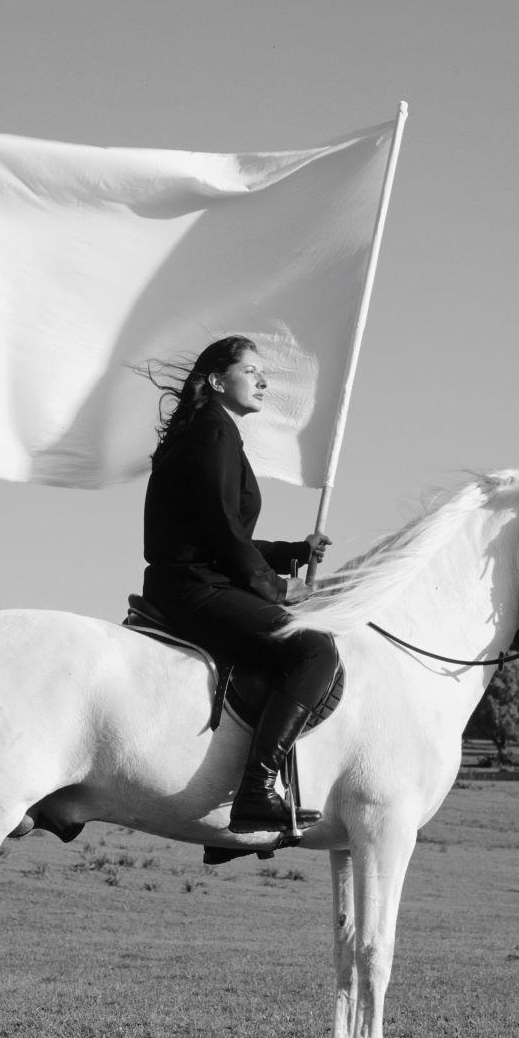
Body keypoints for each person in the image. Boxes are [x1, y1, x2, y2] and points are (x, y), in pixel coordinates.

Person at [141, 335, 338, 833]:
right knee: (314, 651)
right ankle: (255, 789)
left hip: (194, 577)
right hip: (194, 588)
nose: (264, 381)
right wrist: (277, 588)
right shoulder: (213, 434)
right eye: (251, 371)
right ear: (216, 381)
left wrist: (292, 553)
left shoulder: (211, 431)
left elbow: (220, 531)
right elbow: (224, 534)